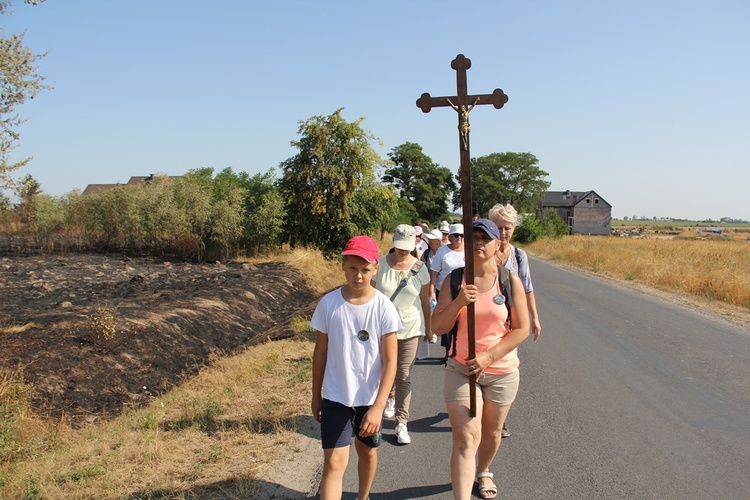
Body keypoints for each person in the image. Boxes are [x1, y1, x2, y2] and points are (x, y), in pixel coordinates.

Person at [432, 219, 530, 500]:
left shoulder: (509, 280)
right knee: (465, 438)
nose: (477, 243)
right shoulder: (455, 280)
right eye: (472, 238)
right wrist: (459, 302)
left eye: (483, 238)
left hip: (501, 369)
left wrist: (489, 356)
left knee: (491, 432)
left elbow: (521, 328)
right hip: (461, 368)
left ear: (497, 243)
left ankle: (484, 469)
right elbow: (438, 326)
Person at [311, 235, 400, 500]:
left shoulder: (384, 308)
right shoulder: (328, 304)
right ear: (342, 266)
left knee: (367, 452)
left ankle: (363, 496)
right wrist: (316, 395)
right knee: (334, 463)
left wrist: (378, 407)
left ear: (376, 268)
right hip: (336, 397)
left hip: (369, 399)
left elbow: (390, 361)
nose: (358, 275)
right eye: (352, 267)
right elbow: (320, 353)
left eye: (364, 269)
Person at [372, 224, 432, 445]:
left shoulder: (420, 268)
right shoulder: (379, 265)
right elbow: (369, 297)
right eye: (399, 247)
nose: (403, 251)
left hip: (410, 329)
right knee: (381, 373)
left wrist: (429, 328)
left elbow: (425, 301)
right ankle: (383, 405)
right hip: (382, 330)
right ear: (393, 243)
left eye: (407, 247)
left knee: (404, 375)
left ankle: (401, 423)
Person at [430, 223, 465, 356]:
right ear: (450, 236)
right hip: (444, 291)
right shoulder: (443, 251)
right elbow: (434, 272)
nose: (459, 239)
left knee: (460, 320)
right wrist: (431, 291)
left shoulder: (468, 250)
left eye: (462, 236)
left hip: (462, 291)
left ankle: (459, 348)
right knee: (445, 319)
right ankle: (447, 349)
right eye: (456, 235)